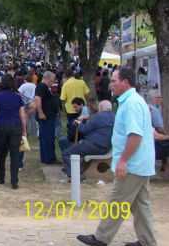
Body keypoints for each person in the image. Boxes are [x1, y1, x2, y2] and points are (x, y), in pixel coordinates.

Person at [77, 68, 157, 246]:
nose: (110, 84)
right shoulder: (132, 101)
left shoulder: (131, 104)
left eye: (114, 80)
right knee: (141, 205)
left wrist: (123, 160)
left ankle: (101, 238)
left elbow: (135, 135)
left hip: (133, 165)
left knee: (117, 202)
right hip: (139, 163)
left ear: (125, 82)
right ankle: (147, 241)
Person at [62, 100, 114, 180]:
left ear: (100, 108)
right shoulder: (114, 116)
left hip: (94, 145)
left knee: (67, 153)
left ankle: (75, 176)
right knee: (79, 148)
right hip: (106, 146)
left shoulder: (99, 116)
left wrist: (78, 124)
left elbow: (84, 129)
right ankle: (75, 170)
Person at [0, 75, 27, 189]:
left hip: (0, 126)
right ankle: (14, 181)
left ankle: (1, 177)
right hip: (15, 127)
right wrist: (24, 130)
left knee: (1, 153)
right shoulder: (17, 97)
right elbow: (22, 115)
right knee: (15, 154)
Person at [35, 71, 60, 164]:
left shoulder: (45, 87)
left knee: (47, 137)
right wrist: (40, 112)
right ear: (47, 78)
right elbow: (37, 99)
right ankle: (48, 158)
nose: (53, 82)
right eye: (52, 80)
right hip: (46, 117)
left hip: (49, 116)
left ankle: (48, 157)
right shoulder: (42, 86)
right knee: (47, 138)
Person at [60, 70, 90, 144]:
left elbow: (63, 99)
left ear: (65, 77)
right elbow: (87, 94)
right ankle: (82, 141)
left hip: (71, 110)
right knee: (83, 127)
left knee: (72, 128)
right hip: (82, 108)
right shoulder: (81, 82)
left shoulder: (65, 84)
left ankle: (73, 143)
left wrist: (64, 110)